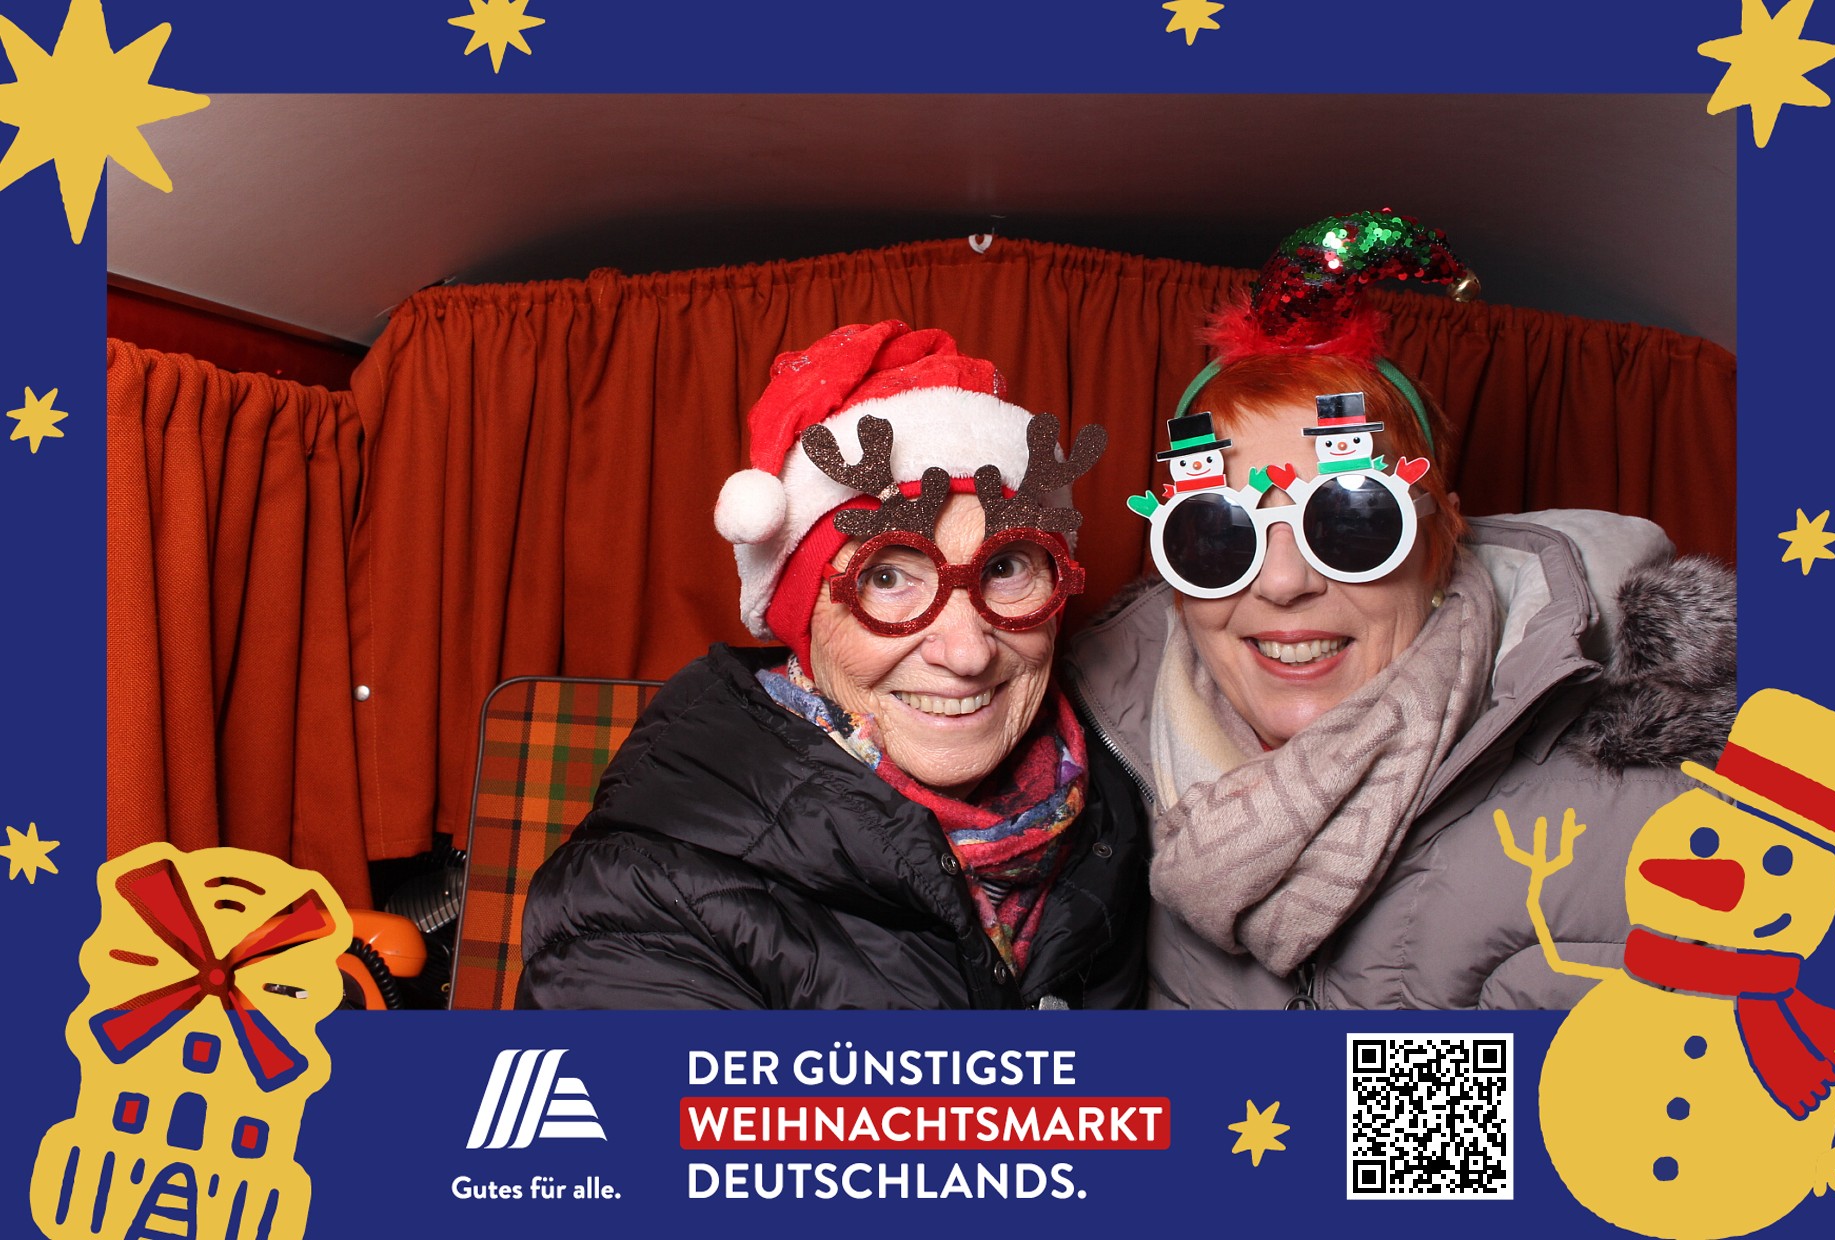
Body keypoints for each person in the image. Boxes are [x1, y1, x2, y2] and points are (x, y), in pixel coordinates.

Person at [1065, 210, 1736, 1010]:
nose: (1282, 583)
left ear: (1441, 539)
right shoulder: (1095, 787)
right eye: (1215, 534)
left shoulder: (1655, 827)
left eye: (1352, 521)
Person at [518, 320, 1146, 1008]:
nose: (968, 653)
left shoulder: (1112, 811)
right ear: (801, 620)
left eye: (1005, 568)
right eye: (887, 578)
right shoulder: (642, 904)